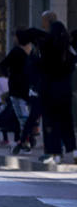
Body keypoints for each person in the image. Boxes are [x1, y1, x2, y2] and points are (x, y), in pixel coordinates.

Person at [38, 20, 76, 164]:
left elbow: (41, 68)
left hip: (49, 92)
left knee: (51, 124)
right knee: (67, 122)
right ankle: (73, 151)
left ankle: (56, 154)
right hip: (65, 91)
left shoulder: (46, 48)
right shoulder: (68, 51)